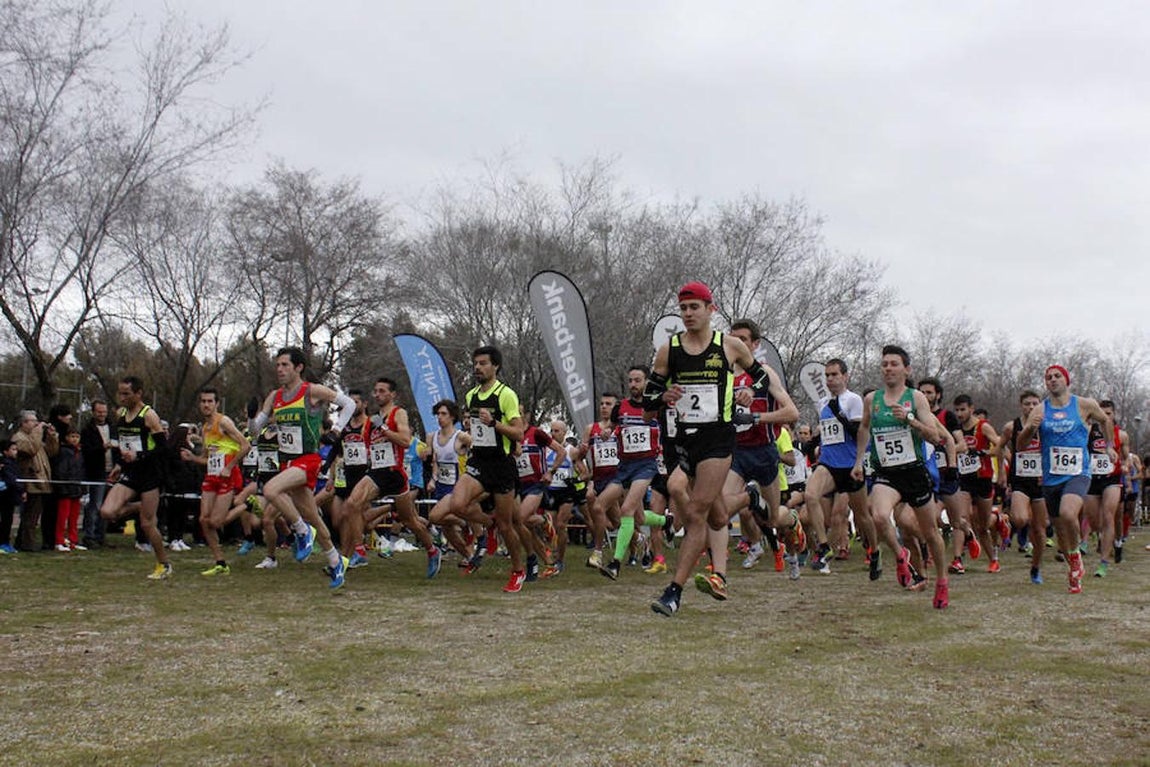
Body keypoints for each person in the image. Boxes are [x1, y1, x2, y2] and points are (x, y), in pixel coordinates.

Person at [647, 282, 779, 616]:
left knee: (696, 513)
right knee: (718, 516)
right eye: (684, 308)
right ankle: (749, 497)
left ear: (711, 309)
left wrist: (749, 392)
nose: (689, 314)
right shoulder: (669, 350)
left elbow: (761, 378)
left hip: (719, 439)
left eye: (695, 307)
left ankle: (674, 592)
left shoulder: (730, 346)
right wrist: (663, 397)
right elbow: (647, 402)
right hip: (685, 441)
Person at [248, 347, 358, 589]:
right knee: (313, 517)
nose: (280, 369)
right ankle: (335, 561)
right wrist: (250, 417)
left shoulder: (312, 391)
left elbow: (348, 404)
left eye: (285, 365)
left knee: (271, 491)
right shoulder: (274, 396)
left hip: (307, 459)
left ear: (298, 367)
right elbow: (255, 431)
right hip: (287, 462)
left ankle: (300, 531)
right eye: (277, 365)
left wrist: (337, 431)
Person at [851, 345, 951, 608]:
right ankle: (901, 554)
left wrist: (910, 420)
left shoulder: (916, 398)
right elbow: (863, 428)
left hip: (914, 471)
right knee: (879, 515)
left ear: (906, 369)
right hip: (887, 472)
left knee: (929, 532)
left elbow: (935, 436)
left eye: (894, 364)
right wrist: (859, 460)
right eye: (884, 364)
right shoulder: (872, 400)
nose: (888, 368)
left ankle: (941, 581)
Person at [1016, 364, 1113, 594]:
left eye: (1057, 376)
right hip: (1051, 478)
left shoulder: (1084, 404)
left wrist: (1109, 446)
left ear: (1066, 380)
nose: (1052, 380)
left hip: (1079, 472)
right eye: (1048, 377)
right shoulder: (1040, 410)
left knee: (1069, 513)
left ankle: (1076, 557)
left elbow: (1105, 420)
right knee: (1060, 531)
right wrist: (1031, 429)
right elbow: (1021, 445)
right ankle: (1073, 570)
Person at [341, 377, 442, 580]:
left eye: (382, 391)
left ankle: (432, 550)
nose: (377, 394)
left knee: (410, 520)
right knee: (352, 504)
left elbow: (405, 441)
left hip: (395, 474)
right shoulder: (372, 420)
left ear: (392, 394)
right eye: (375, 391)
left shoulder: (399, 413)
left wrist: (385, 430)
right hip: (377, 472)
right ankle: (359, 551)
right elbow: (369, 448)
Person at [447, 345, 528, 593]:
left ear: (495, 366)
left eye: (483, 363)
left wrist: (494, 423)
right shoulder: (471, 396)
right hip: (479, 461)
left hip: (501, 464)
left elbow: (519, 433)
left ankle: (517, 570)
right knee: (457, 505)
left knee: (507, 526)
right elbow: (477, 431)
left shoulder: (506, 395)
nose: (478, 368)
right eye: (476, 363)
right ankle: (488, 524)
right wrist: (470, 429)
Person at [593, 366, 669, 582]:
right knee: (609, 508)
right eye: (631, 381)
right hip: (624, 466)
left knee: (626, 509)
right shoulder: (621, 407)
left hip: (646, 465)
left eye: (638, 380)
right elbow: (614, 427)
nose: (634, 384)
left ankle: (615, 563)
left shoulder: (655, 406)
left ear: (646, 382)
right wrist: (609, 431)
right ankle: (666, 521)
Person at [100, 377, 173, 579]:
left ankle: (163, 564)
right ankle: (140, 506)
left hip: (150, 474)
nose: (121, 397)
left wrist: (139, 456)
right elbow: (125, 445)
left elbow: (163, 449)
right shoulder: (120, 413)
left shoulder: (149, 415)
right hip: (130, 472)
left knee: (147, 524)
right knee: (107, 512)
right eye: (120, 393)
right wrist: (119, 464)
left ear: (138, 393)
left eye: (126, 394)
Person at [181, 388, 251, 576]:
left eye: (210, 401)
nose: (206, 405)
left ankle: (245, 506)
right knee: (204, 519)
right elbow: (206, 458)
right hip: (212, 475)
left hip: (227, 473)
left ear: (217, 403)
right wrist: (192, 458)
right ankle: (220, 562)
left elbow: (246, 446)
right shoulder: (204, 428)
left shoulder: (224, 422)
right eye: (203, 401)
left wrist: (230, 466)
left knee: (216, 521)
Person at [994, 390, 1049, 584]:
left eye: (1035, 403)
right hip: (1020, 479)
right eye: (1027, 404)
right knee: (1020, 518)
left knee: (1040, 530)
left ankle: (1036, 567)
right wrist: (1001, 471)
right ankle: (1006, 524)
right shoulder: (1012, 426)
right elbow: (999, 447)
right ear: (1021, 406)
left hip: (1040, 481)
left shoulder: (1046, 426)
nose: (1031, 407)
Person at [13, 410, 57, 552]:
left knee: (33, 516)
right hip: (30, 481)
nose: (36, 423)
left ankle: (21, 542)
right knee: (30, 517)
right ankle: (28, 545)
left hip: (41, 482)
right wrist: (38, 432)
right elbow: (30, 449)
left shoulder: (35, 438)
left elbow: (51, 451)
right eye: (32, 421)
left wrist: (52, 437)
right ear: (24, 423)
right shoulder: (19, 438)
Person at [80, 400, 113, 548]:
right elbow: (87, 451)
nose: (102, 415)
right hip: (96, 472)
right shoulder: (87, 430)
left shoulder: (113, 428)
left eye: (104, 412)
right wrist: (102, 448)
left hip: (112, 470)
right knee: (95, 504)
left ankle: (101, 535)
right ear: (93, 412)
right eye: (99, 412)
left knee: (107, 505)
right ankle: (90, 535)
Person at [52, 428, 85, 551]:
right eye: (72, 436)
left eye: (77, 436)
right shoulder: (63, 452)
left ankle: (73, 540)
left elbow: (81, 471)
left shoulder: (79, 452)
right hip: (65, 490)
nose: (75, 439)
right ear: (66, 438)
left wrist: (82, 489)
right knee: (62, 517)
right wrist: (63, 487)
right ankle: (59, 541)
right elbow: (61, 471)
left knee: (74, 517)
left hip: (76, 489)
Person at [0, 439, 21, 554]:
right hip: (4, 496)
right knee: (5, 521)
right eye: (13, 449)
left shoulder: (14, 464)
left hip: (11, 497)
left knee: (8, 521)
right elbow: (11, 480)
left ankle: (6, 543)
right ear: (5, 451)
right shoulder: (5, 464)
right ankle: (2, 543)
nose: (16, 452)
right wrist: (19, 487)